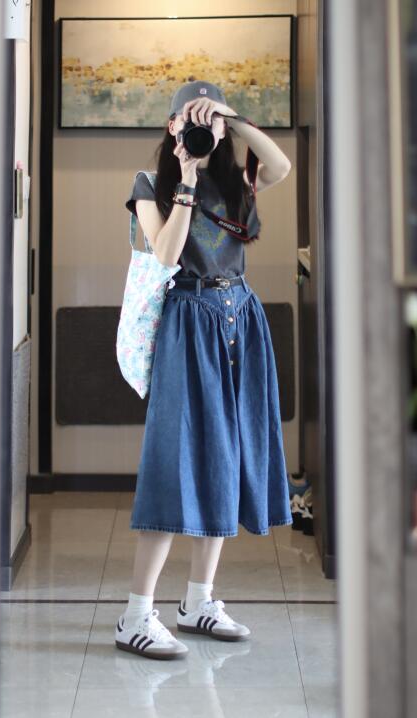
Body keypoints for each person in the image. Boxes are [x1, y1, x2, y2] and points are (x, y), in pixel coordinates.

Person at [115, 80, 293, 660]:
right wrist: (187, 179)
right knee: (175, 461)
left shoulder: (237, 181)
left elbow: (281, 165)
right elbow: (166, 255)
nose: (198, 130)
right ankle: (135, 615)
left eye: (207, 122)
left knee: (227, 454)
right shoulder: (150, 185)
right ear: (171, 127)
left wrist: (231, 119)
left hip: (239, 315)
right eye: (188, 121)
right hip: (188, 323)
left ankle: (198, 601)